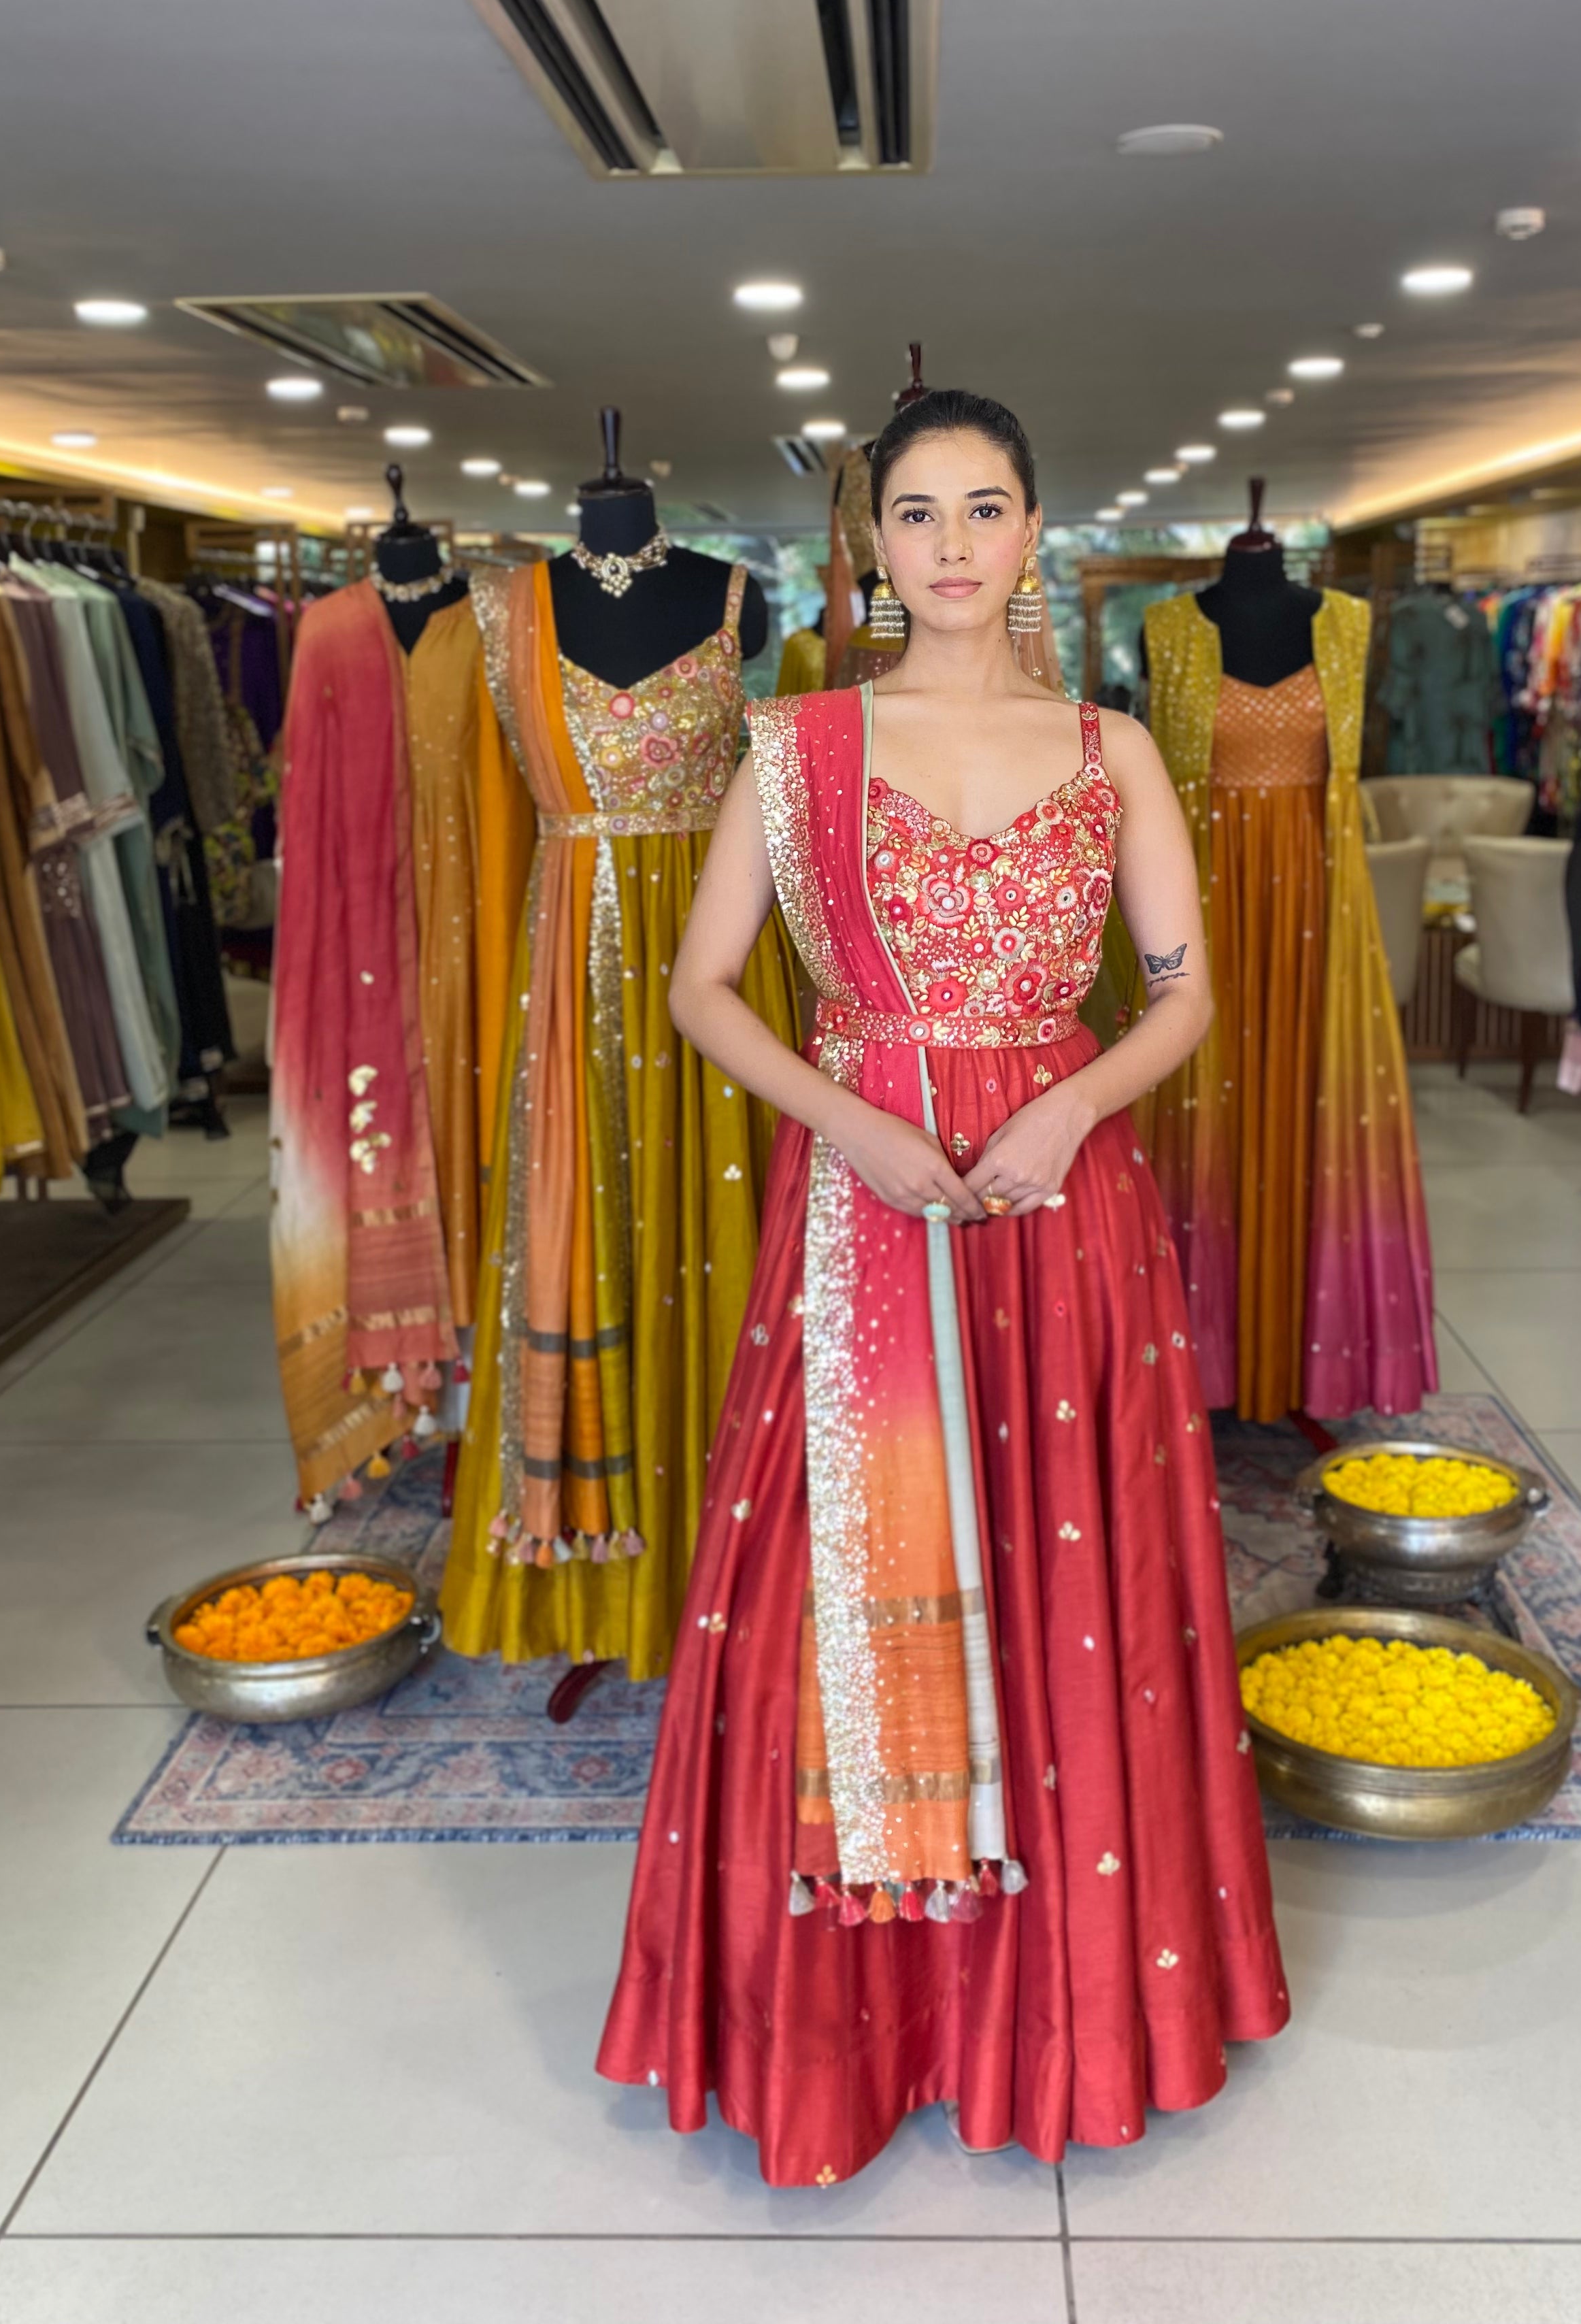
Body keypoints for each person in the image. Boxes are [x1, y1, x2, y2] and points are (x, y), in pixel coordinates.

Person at [597, 388, 1287, 2185]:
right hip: (865, 1196)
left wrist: (1071, 1101)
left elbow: (1186, 996)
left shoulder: (1116, 747)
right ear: (873, 544)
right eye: (919, 514)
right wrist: (854, 1124)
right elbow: (704, 988)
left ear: (1035, 528)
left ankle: (1067, 2009)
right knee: (834, 1581)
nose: (956, 545)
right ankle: (848, 2025)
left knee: (1078, 1580)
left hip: (1065, 1198)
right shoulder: (795, 744)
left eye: (987, 508)